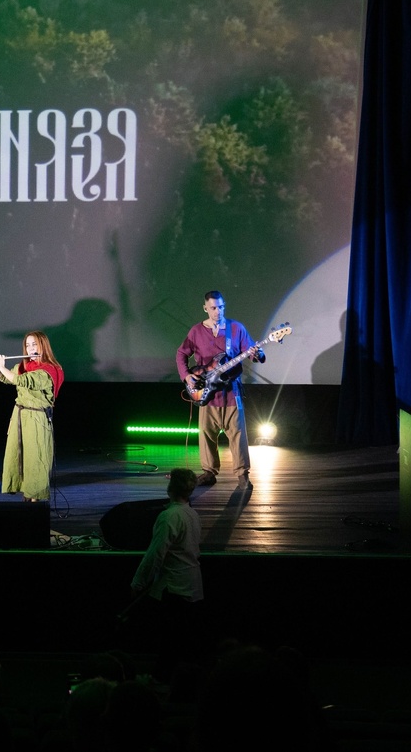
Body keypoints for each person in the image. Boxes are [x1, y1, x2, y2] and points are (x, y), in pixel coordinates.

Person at [176, 290, 265, 487]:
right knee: (206, 434)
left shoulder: (236, 328)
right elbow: (181, 353)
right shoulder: (196, 331)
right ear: (205, 308)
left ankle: (242, 475)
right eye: (214, 308)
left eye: (221, 307)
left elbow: (252, 353)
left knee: (238, 434)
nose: (218, 311)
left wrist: (257, 353)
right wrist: (187, 376)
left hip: (232, 392)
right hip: (207, 392)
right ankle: (209, 472)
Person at [130, 467, 204, 681]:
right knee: (181, 643)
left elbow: (155, 554)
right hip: (192, 586)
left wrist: (138, 582)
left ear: (171, 487)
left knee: (169, 643)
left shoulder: (169, 516)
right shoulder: (192, 514)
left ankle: (161, 682)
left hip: (173, 588)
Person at [0, 331, 64, 502]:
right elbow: (7, 379)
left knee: (35, 459)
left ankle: (35, 500)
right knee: (18, 456)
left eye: (34, 344)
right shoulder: (25, 365)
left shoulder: (49, 370)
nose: (31, 348)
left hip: (36, 419)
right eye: (28, 345)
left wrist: (2, 366)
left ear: (43, 346)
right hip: (20, 416)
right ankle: (26, 497)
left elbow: (22, 381)